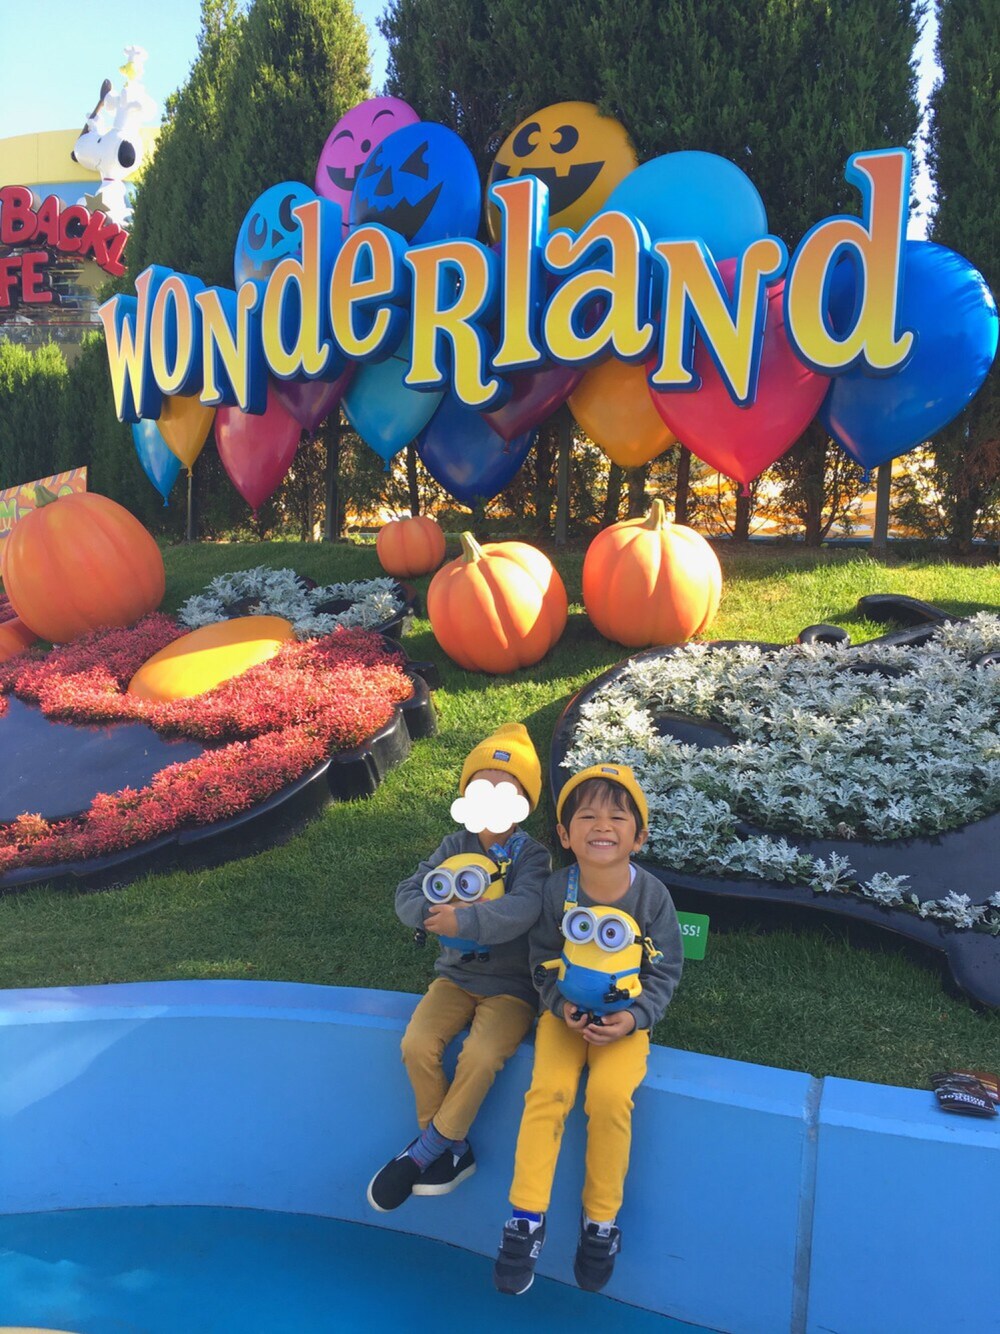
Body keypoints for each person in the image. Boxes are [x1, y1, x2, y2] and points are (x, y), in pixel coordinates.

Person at [493, 762, 683, 1296]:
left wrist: (635, 1017)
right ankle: (525, 1218)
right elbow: (541, 959)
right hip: (564, 1018)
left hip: (624, 1024)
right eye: (587, 816)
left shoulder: (652, 897)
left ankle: (600, 1222)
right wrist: (558, 1005)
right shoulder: (557, 891)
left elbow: (666, 969)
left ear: (639, 836)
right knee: (547, 1093)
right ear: (564, 833)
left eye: (618, 817)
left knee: (610, 1098)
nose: (602, 825)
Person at [367, 723, 551, 1213]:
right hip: (454, 978)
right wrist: (429, 916)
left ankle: (422, 1153)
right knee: (417, 1044)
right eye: (481, 788)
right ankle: (451, 1148)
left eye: (506, 791)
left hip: (512, 986)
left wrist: (465, 919)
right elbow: (410, 891)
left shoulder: (532, 856)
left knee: (481, 1055)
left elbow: (525, 907)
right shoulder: (454, 845)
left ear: (525, 801)